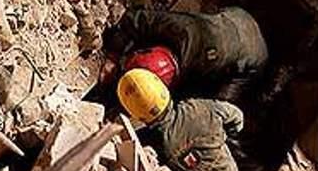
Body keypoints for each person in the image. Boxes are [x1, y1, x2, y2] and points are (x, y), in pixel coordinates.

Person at [99, 6, 268, 104]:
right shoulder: (175, 27)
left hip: (253, 53)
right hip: (233, 17)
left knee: (218, 103)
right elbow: (133, 19)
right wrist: (113, 57)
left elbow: (216, 104)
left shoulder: (197, 67)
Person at [117, 68, 243, 171]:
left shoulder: (152, 145)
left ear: (135, 114)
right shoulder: (200, 109)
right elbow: (237, 117)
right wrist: (228, 133)